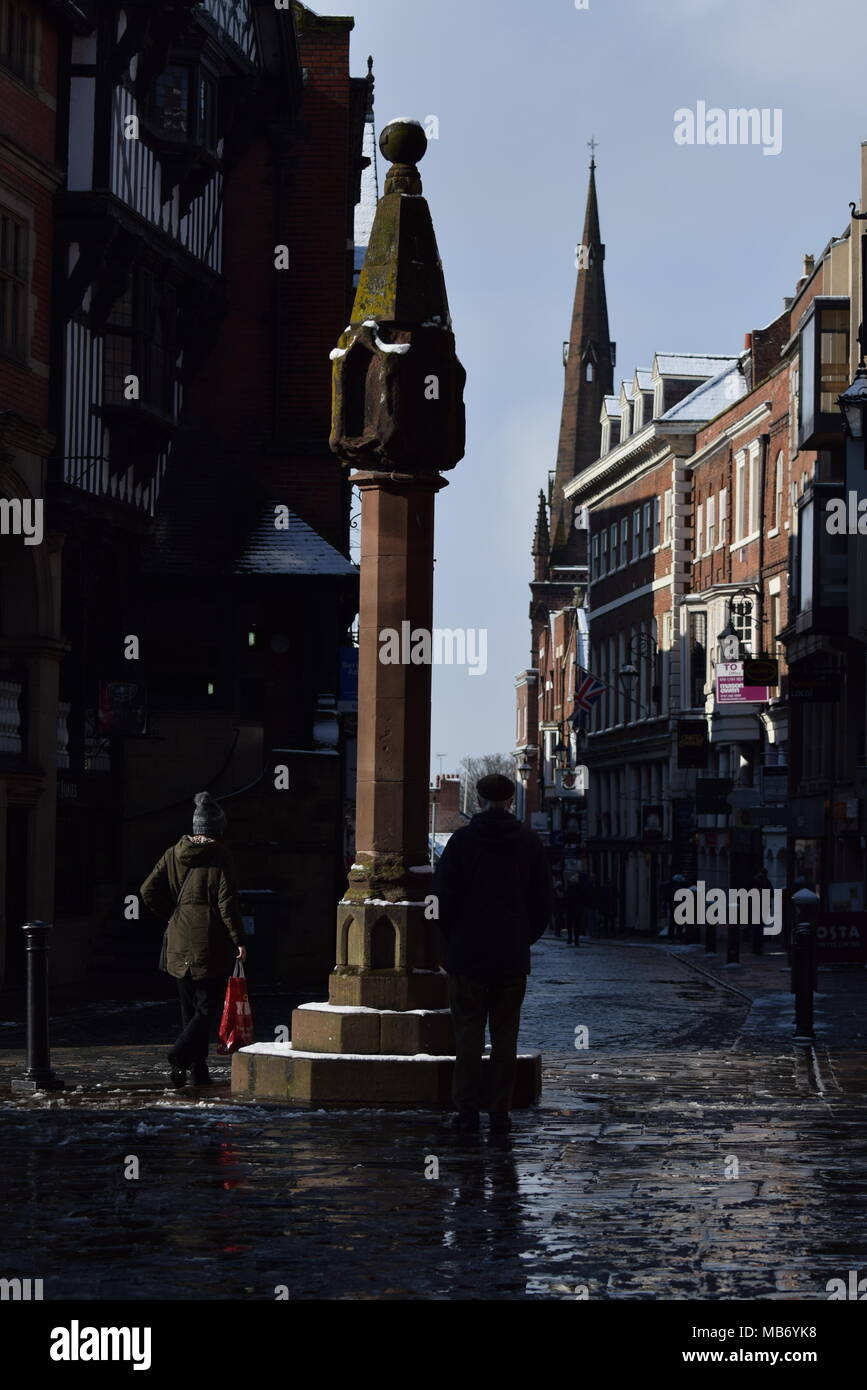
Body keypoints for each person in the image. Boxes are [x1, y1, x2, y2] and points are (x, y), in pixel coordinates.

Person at [433, 774, 553, 1135]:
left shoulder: (463, 840)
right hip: (510, 957)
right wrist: (521, 938)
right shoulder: (528, 843)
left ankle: (466, 1110)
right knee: (505, 1037)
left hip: (467, 955)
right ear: (511, 800)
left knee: (467, 1035)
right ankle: (500, 1110)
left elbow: (441, 899)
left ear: (479, 798)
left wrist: (453, 940)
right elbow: (543, 903)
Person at [140, 791, 247, 1089]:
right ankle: (178, 1056)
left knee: (188, 1009)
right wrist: (239, 940)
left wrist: (172, 915)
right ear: (217, 829)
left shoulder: (174, 852)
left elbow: (147, 889)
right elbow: (227, 903)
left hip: (178, 939)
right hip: (209, 942)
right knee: (206, 1010)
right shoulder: (221, 856)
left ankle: (197, 1071)